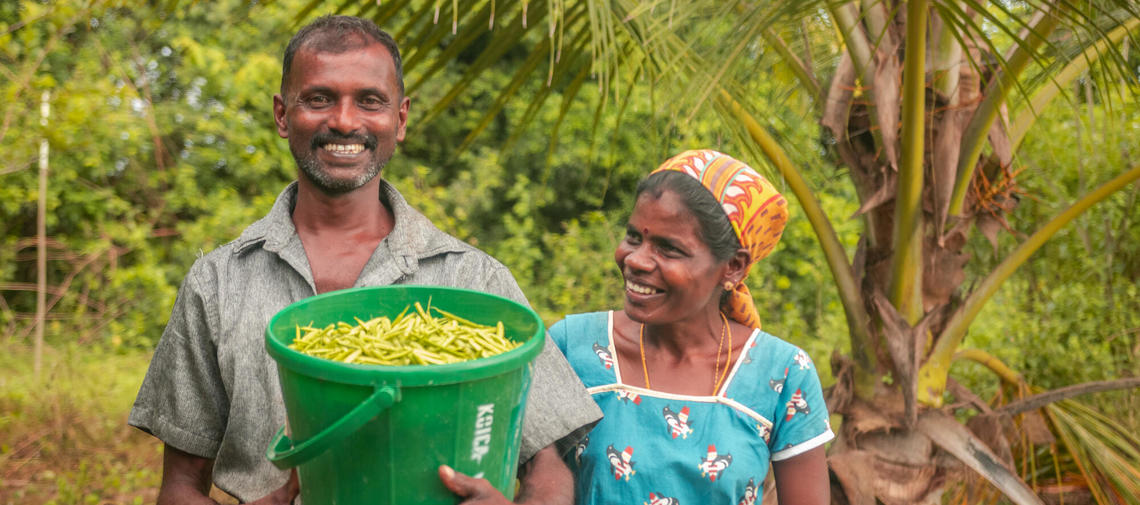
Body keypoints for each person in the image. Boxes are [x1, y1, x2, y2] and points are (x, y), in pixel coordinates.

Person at [129, 15, 601, 505]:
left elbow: (550, 469)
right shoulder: (218, 283)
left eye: (370, 101)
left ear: (400, 118)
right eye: (319, 99)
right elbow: (180, 486)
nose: (344, 121)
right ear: (282, 115)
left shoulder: (474, 280)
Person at [548, 149, 833, 504]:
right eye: (634, 237)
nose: (636, 260)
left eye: (668, 249)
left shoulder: (782, 374)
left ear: (733, 266)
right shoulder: (572, 348)